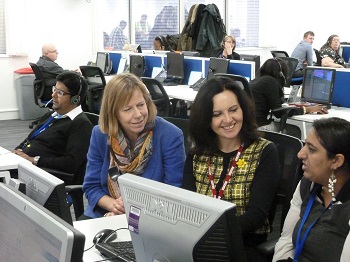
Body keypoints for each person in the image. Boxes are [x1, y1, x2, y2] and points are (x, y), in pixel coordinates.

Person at [182, 76, 281, 261]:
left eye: (233, 110)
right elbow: (188, 205)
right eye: (216, 114)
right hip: (199, 242)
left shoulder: (264, 151)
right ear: (205, 118)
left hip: (244, 245)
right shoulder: (197, 155)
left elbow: (256, 215)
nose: (228, 119)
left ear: (243, 109)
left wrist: (213, 233)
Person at [81, 73, 185, 219]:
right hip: (106, 214)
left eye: (141, 105)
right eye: (127, 109)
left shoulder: (170, 136)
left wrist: (132, 210)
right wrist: (114, 206)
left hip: (153, 218)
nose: (138, 114)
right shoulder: (100, 134)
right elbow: (91, 187)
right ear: (113, 113)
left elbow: (173, 193)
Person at [273, 117, 350, 262]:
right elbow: (287, 241)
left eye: (312, 149)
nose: (300, 154)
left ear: (336, 161)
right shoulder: (308, 184)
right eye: (305, 145)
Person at [14, 71, 93, 184]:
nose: (53, 95)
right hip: (25, 167)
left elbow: (71, 163)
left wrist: (33, 160)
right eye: (54, 89)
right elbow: (30, 139)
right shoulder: (51, 115)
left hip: (45, 176)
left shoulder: (81, 125)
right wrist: (16, 152)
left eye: (60, 93)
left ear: (75, 99)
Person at [249, 58, 328, 130]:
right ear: (281, 74)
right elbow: (278, 113)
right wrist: (309, 109)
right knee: (294, 130)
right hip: (258, 128)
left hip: (247, 127)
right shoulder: (271, 82)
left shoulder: (256, 81)